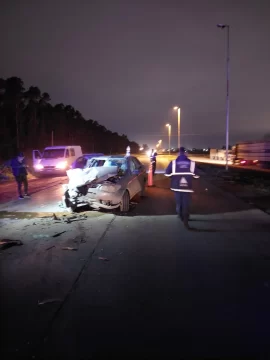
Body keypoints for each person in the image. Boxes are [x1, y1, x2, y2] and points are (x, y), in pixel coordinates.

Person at [165, 147, 197, 229]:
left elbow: (167, 174)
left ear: (178, 154)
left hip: (176, 186)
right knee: (186, 203)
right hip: (187, 187)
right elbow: (197, 175)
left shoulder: (173, 162)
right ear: (186, 154)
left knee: (179, 202)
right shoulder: (192, 163)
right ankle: (186, 218)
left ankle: (180, 215)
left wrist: (172, 176)